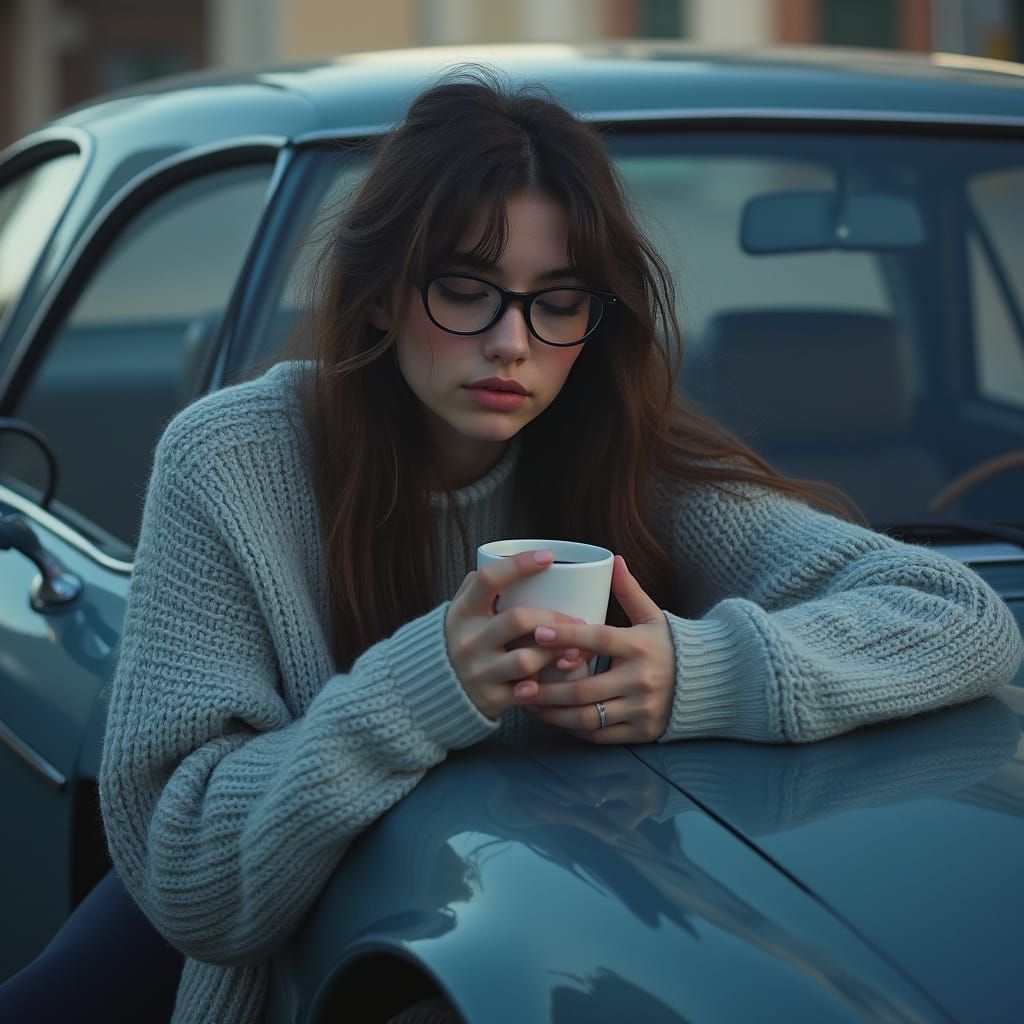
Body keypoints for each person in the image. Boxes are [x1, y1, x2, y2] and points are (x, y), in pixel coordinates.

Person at [9, 69, 1020, 1024]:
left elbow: (957, 614)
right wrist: (423, 687)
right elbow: (185, 880)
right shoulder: (234, 459)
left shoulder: (629, 459)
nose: (512, 341)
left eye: (557, 300)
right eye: (466, 287)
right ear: (379, 291)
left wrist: (696, 671)